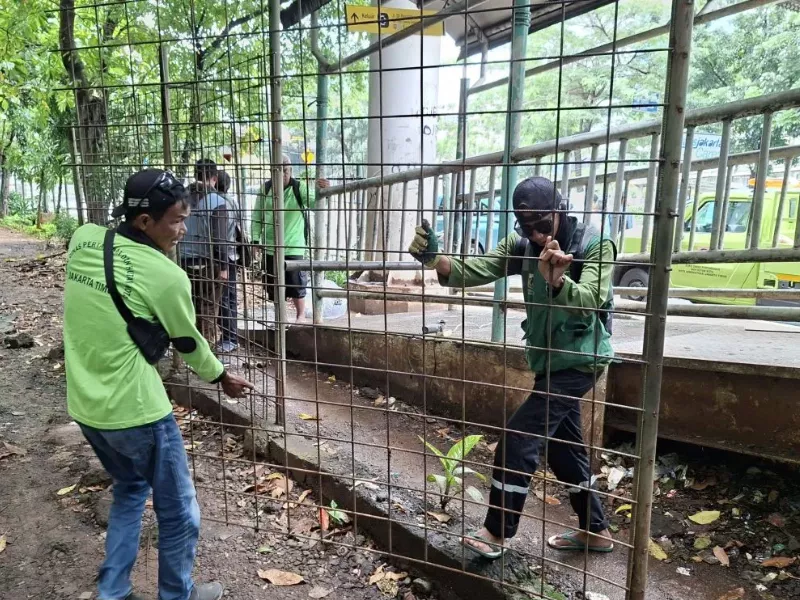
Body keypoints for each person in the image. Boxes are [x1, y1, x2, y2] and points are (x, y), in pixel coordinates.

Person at [63, 168, 254, 600]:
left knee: (130, 490)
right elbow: (188, 341)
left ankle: (113, 592)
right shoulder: (166, 276)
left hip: (86, 406)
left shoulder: (83, 239)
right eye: (176, 221)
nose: (183, 229)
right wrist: (221, 377)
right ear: (145, 221)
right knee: (179, 510)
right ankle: (177, 594)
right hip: (137, 412)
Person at [409, 176, 616, 558]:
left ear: (560, 211)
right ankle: (597, 530)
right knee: (564, 449)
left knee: (519, 439)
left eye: (543, 224)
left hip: (581, 361)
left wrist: (558, 282)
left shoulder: (593, 243)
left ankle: (496, 532)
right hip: (549, 362)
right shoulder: (520, 245)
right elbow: (473, 269)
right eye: (527, 226)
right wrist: (435, 259)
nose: (536, 234)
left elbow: (591, 298)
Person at [251, 156, 329, 322]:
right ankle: (281, 317)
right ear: (271, 172)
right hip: (271, 246)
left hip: (294, 245)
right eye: (278, 171)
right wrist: (255, 241)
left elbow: (315, 204)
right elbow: (257, 216)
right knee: (274, 285)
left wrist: (323, 192)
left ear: (291, 170)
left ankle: (301, 316)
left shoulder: (299, 187)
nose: (282, 174)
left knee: (296, 284)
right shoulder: (265, 189)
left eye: (285, 171)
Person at [179, 159, 237, 342]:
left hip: (181, 264)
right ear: (214, 178)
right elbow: (220, 239)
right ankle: (207, 351)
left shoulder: (180, 198)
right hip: (207, 266)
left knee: (187, 309)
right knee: (207, 312)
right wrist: (224, 267)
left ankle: (185, 352)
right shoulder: (217, 202)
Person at [214, 170, 239, 352]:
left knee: (224, 298)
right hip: (232, 254)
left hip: (223, 255)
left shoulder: (218, 202)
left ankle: (229, 338)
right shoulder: (233, 201)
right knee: (229, 297)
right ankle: (230, 336)